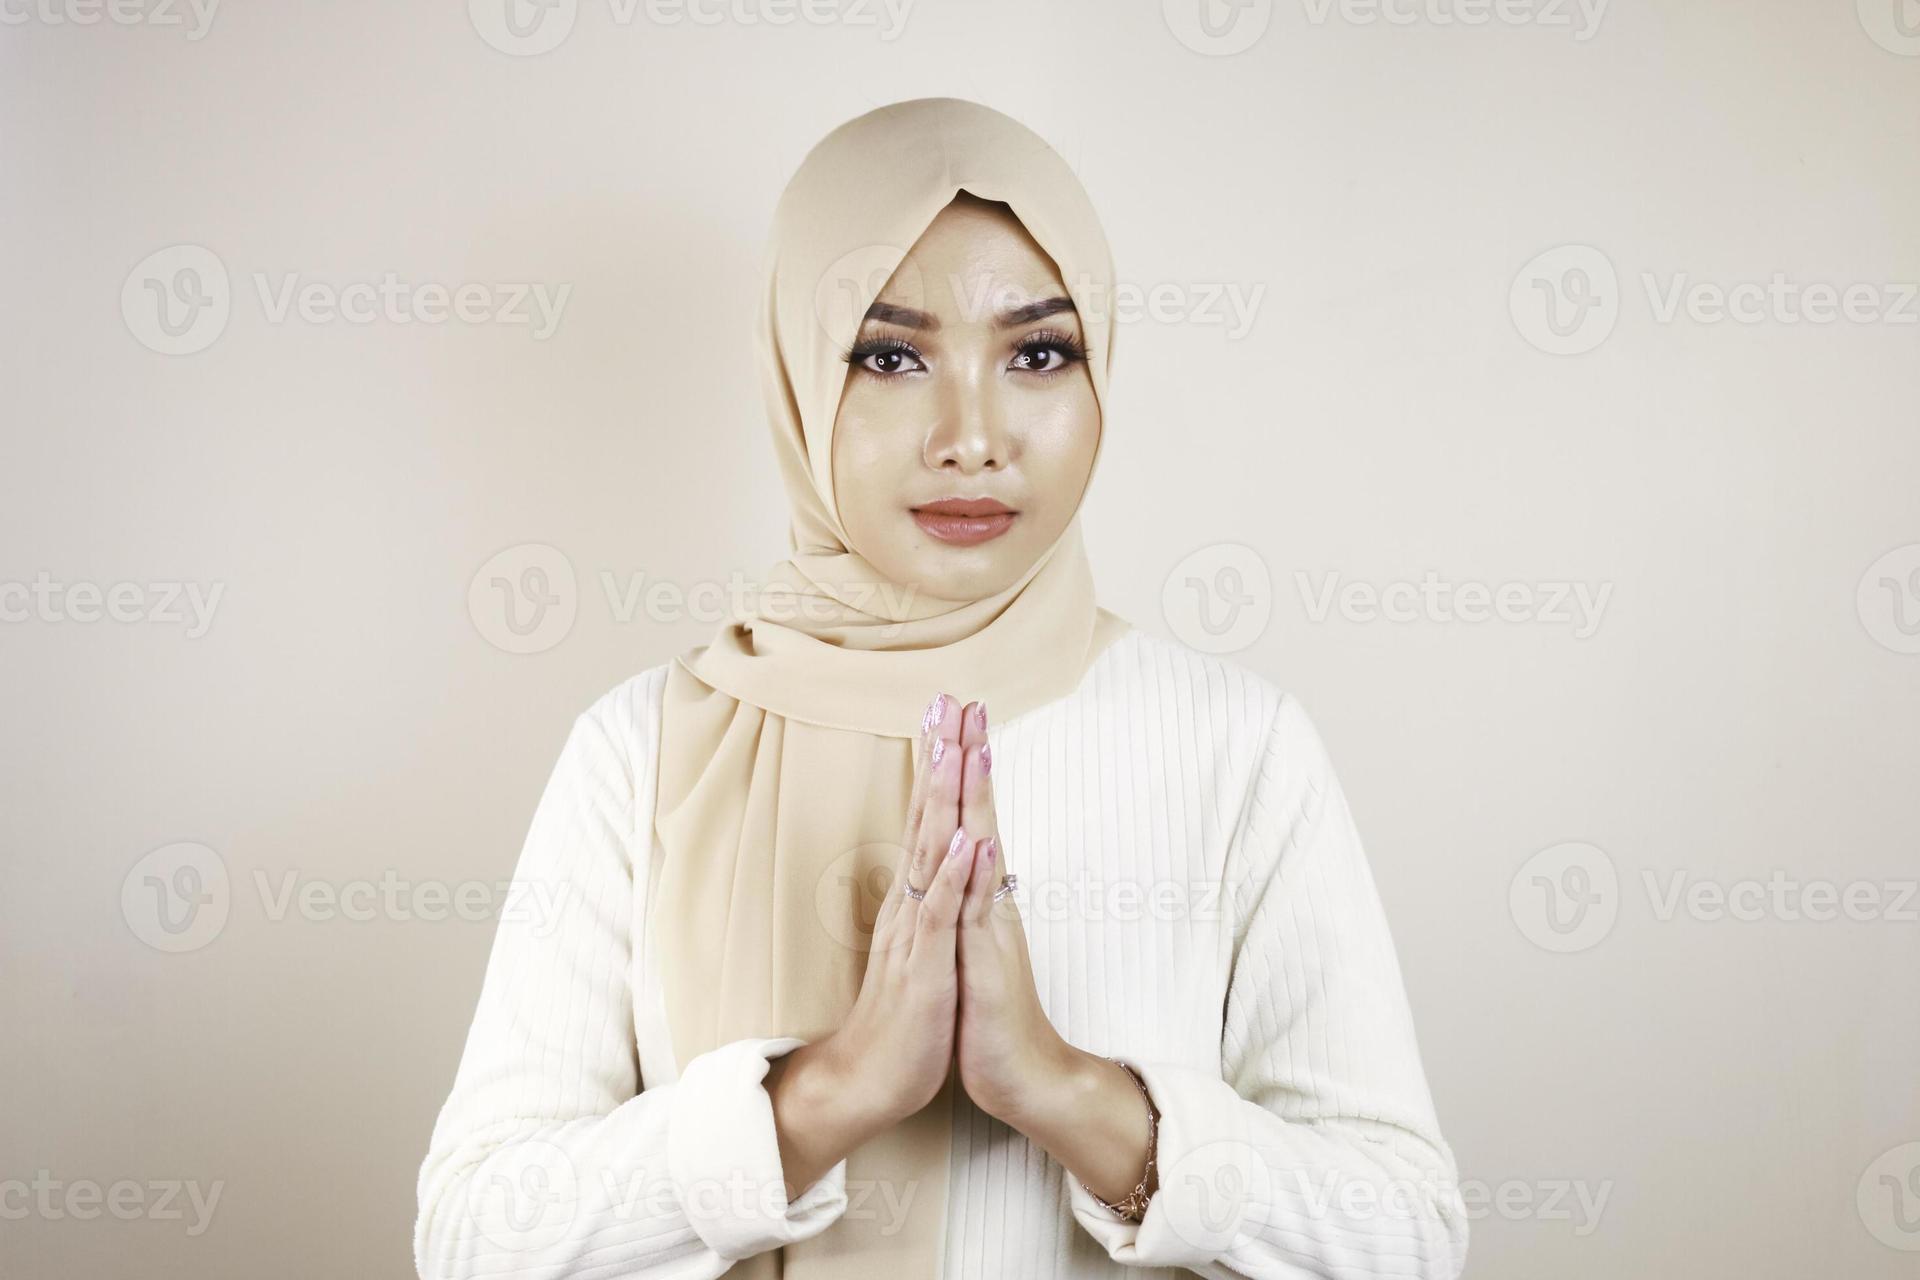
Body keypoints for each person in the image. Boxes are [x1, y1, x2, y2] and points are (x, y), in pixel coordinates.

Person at [414, 96, 1469, 1280]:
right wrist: (824, 1094)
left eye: (1038, 352)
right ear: (797, 377)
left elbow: (1408, 1236)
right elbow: (472, 1237)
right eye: (890, 355)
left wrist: (1074, 1095)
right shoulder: (643, 749)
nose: (971, 437)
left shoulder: (1235, 747)